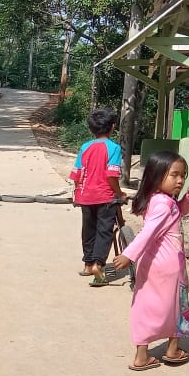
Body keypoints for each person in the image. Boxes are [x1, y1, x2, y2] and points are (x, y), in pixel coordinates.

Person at [112, 150, 189, 371]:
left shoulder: (157, 200)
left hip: (151, 264)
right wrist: (128, 254)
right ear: (157, 174)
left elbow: (175, 214)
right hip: (169, 265)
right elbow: (148, 232)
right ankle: (172, 350)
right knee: (176, 305)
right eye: (174, 175)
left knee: (146, 305)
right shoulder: (164, 203)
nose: (180, 180)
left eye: (183, 175)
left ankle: (142, 356)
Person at [69, 107, 126, 286]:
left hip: (85, 196)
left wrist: (77, 193)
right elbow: (111, 175)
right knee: (104, 231)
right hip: (106, 197)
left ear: (91, 129)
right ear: (112, 127)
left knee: (88, 229)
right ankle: (98, 264)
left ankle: (87, 264)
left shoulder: (85, 147)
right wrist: (120, 193)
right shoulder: (114, 148)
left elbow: (77, 174)